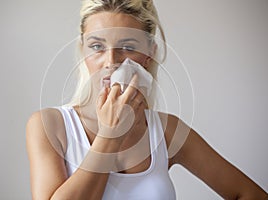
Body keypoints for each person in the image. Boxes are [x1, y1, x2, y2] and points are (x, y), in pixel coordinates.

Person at [26, 0, 268, 199]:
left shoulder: (166, 130)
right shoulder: (50, 125)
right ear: (83, 50)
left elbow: (246, 193)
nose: (111, 60)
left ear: (149, 53)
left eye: (128, 46)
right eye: (97, 46)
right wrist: (111, 134)